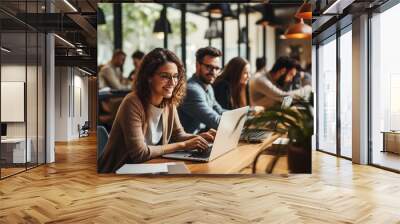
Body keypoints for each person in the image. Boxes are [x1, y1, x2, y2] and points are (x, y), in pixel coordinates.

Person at [98, 48, 216, 173]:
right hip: (118, 173)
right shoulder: (132, 103)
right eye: (165, 76)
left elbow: (178, 135)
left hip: (147, 168)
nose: (172, 82)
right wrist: (184, 145)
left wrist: (199, 139)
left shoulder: (168, 101)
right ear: (149, 77)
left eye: (175, 76)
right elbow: (140, 153)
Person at [178, 47, 226, 134]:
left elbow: (220, 111)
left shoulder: (208, 87)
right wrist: (243, 122)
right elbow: (214, 121)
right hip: (185, 145)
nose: (213, 72)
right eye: (209, 67)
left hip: (198, 141)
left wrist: (246, 115)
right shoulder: (191, 90)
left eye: (217, 68)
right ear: (197, 65)